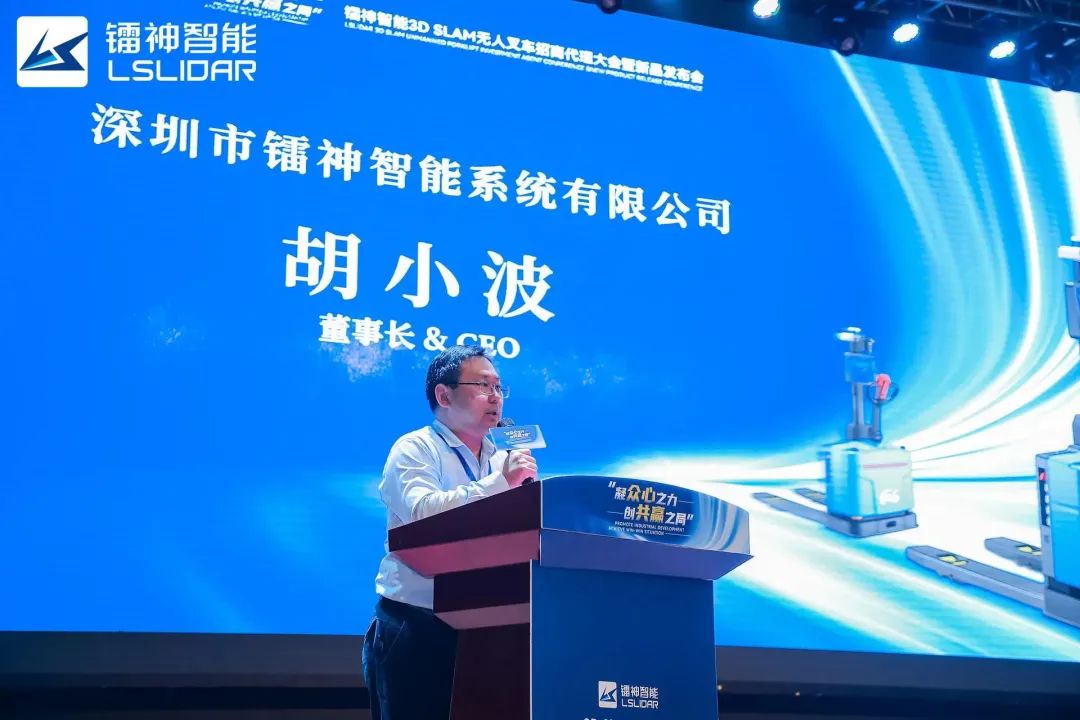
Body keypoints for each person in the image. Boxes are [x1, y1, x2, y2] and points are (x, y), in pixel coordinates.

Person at [361, 345, 537, 719]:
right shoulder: (415, 448)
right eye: (483, 385)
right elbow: (423, 515)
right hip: (417, 624)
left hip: (490, 627)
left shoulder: (503, 457)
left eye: (499, 387)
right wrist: (499, 484)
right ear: (444, 395)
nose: (496, 396)